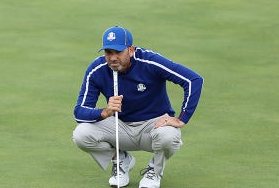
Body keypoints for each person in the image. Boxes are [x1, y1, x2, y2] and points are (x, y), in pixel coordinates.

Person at [73, 26, 203, 188]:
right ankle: (120, 161)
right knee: (81, 134)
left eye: (118, 52)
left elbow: (193, 80)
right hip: (119, 127)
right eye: (108, 53)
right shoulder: (97, 69)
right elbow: (79, 112)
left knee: (169, 136)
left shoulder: (150, 61)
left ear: (131, 50)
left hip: (153, 127)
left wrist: (182, 119)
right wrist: (105, 112)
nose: (112, 58)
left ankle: (154, 171)